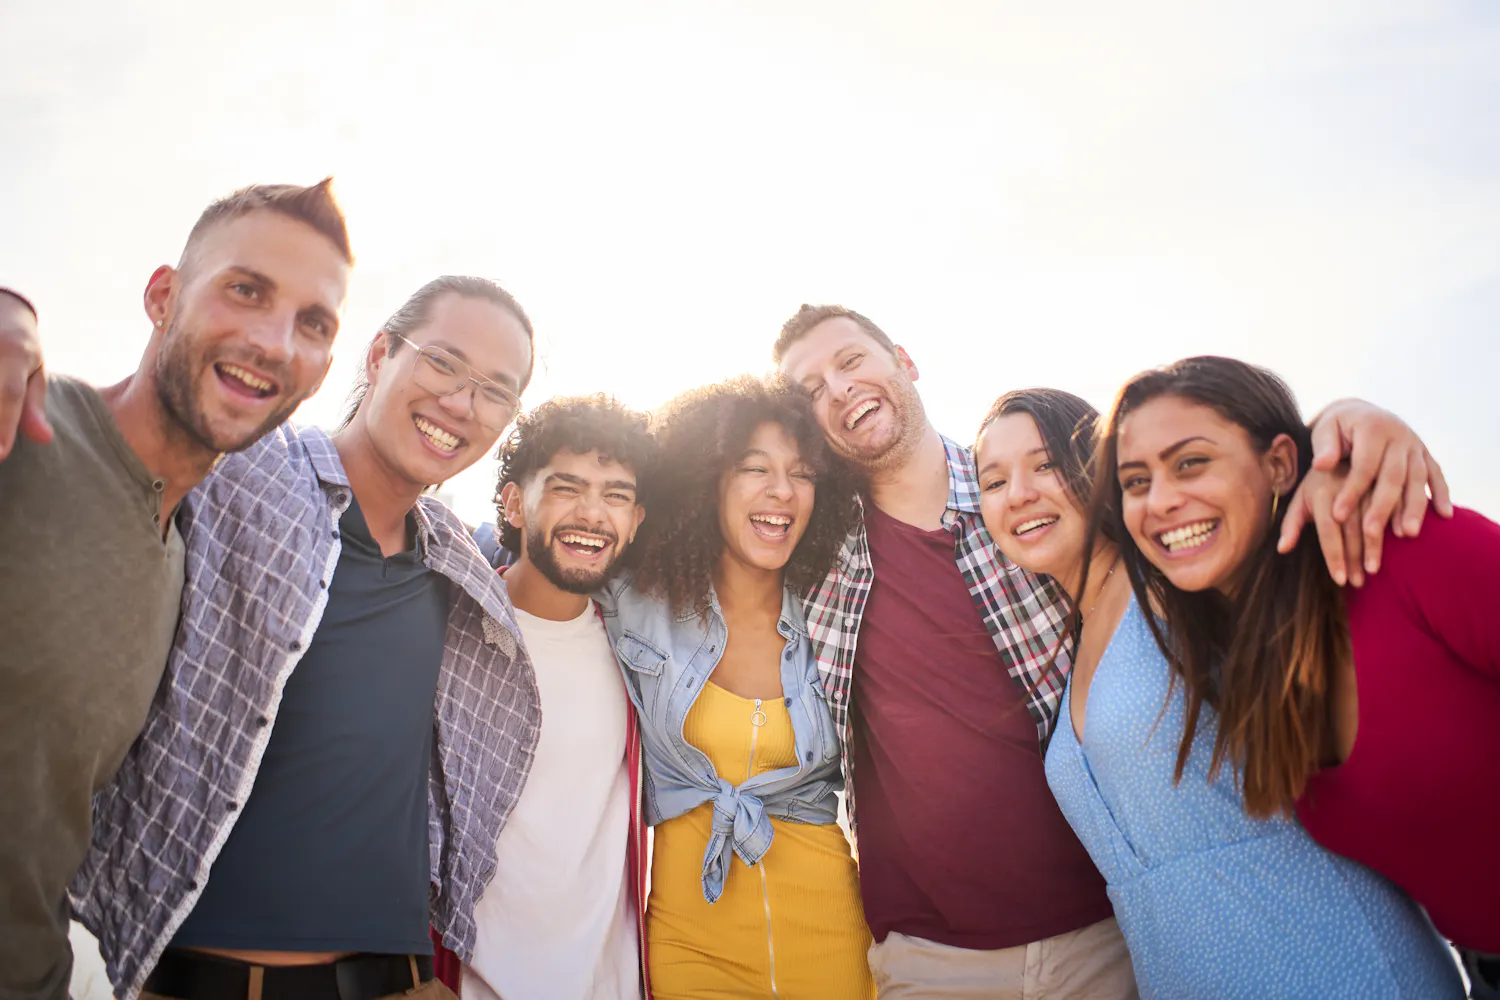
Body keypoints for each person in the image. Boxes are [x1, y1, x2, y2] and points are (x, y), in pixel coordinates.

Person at [772, 303, 1452, 999]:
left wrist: (1347, 427)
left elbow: (1239, 497)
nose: (839, 387)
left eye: (851, 360)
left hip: (1134, 941)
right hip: (963, 953)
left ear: (903, 361)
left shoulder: (1110, 541)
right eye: (812, 389)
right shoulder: (810, 553)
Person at [69, 276, 538, 1000]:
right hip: (214, 980)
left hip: (405, 981)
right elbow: (113, 446)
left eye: (494, 391)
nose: (461, 404)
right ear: (380, 354)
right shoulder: (247, 474)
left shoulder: (459, 565)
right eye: (442, 363)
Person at [974, 387, 1463, 998]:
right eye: (993, 482)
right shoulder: (1068, 654)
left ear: (1100, 474)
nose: (1019, 493)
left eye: (1045, 465)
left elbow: (1267, 497)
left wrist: (1348, 423)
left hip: (1337, 961)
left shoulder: (1183, 581)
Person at [0, 179, 353, 1000]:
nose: (273, 340)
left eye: (312, 323)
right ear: (163, 297)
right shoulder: (27, 439)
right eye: (246, 290)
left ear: (322, 368)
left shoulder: (180, 559)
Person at [1094, 355, 1499, 997]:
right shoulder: (1237, 664)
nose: (1162, 500)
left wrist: (1350, 421)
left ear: (1281, 463)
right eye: (1136, 481)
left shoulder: (1409, 553)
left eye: (1191, 462)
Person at [597, 376, 874, 1000]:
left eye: (802, 474)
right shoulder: (635, 603)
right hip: (690, 939)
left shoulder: (834, 612)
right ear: (708, 482)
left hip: (830, 929)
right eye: (755, 468)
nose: (781, 491)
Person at [450, 395, 656, 1000]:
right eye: (566, 487)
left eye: (616, 495)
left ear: (637, 518)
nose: (593, 514)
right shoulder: (447, 630)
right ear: (513, 502)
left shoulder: (638, 652)